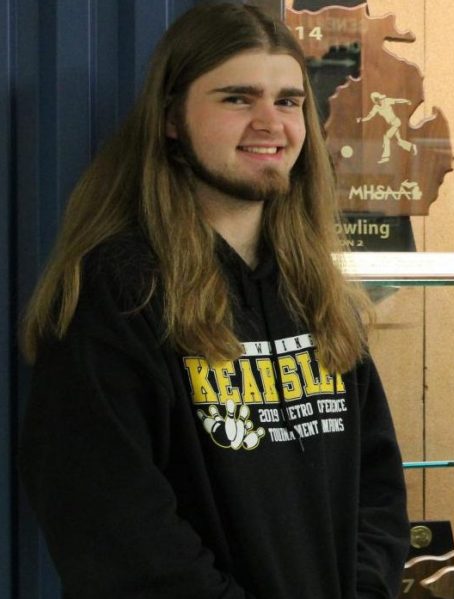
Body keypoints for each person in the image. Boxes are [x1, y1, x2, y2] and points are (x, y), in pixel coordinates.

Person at [18, 4, 409, 598]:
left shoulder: (317, 293)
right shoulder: (119, 292)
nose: (270, 123)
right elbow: (116, 529)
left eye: (288, 101)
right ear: (172, 117)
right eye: (236, 99)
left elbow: (377, 493)